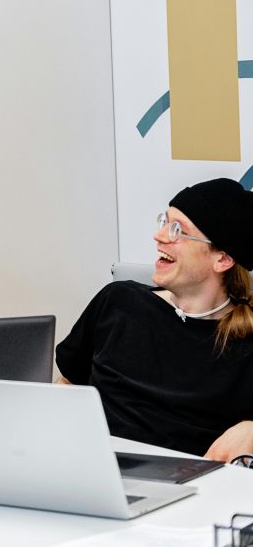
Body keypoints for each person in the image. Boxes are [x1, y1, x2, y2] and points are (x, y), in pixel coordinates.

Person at [57, 178, 253, 461]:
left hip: (195, 487)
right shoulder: (118, 302)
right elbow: (68, 385)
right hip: (95, 467)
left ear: (222, 259)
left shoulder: (245, 339)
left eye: (178, 230)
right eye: (164, 221)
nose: (160, 236)